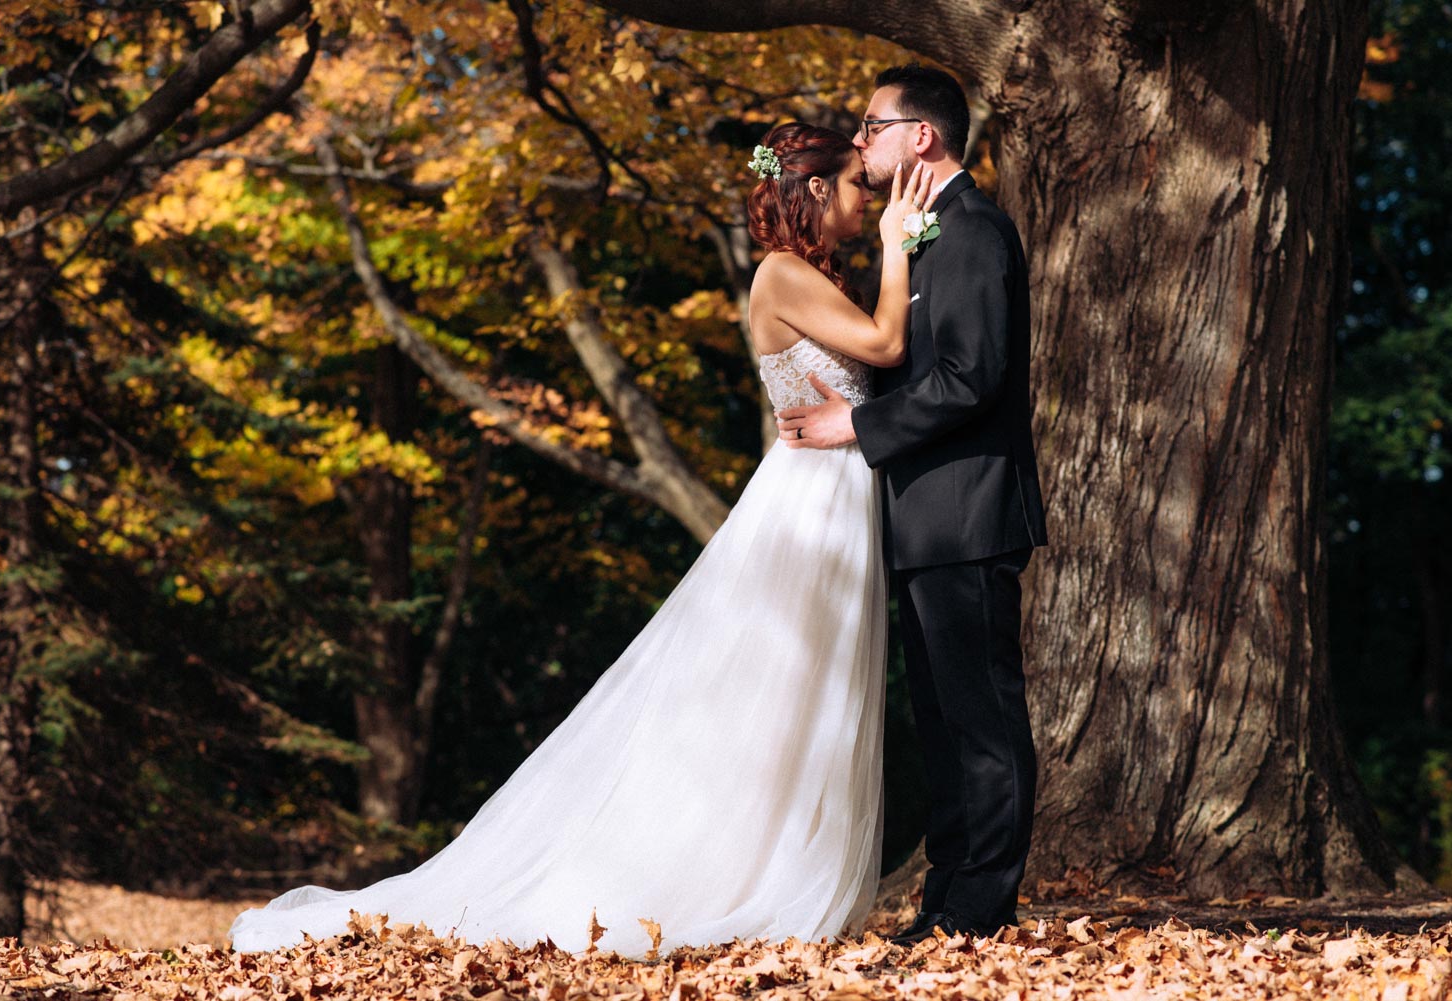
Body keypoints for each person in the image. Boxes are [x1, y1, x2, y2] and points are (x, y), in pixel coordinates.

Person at [229, 122, 937, 957]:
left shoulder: (809, 275)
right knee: (781, 691)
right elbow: (885, 342)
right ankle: (734, 875)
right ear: (814, 188)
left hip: (834, 493)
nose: (868, 197)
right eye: (856, 182)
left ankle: (770, 863)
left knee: (808, 694)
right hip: (807, 506)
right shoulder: (782, 273)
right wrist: (898, 242)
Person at [776, 64, 1049, 943]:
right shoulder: (923, 236)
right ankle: (946, 899)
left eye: (872, 125)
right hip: (921, 520)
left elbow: (971, 377)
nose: (861, 142)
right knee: (940, 724)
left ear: (920, 135)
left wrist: (856, 423)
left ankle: (981, 908)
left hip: (968, 513)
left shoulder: (973, 231)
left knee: (982, 720)